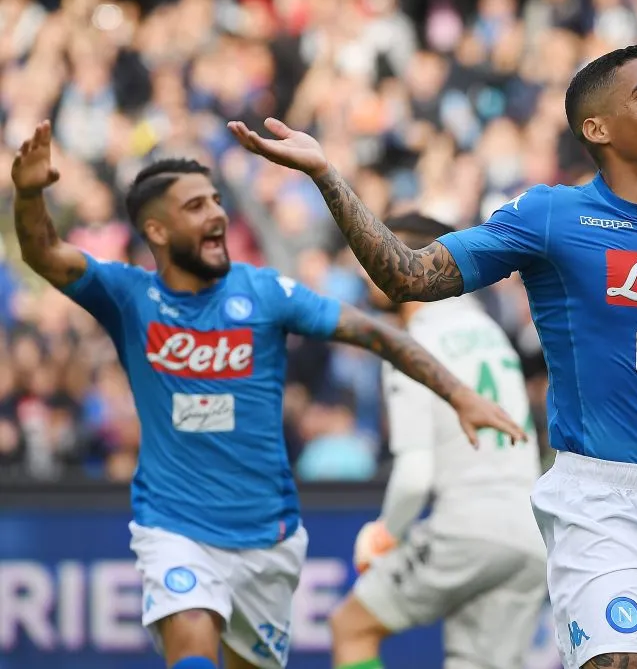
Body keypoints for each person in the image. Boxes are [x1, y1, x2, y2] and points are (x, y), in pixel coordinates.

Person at [228, 44, 637, 669]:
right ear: (598, 128)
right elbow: (409, 276)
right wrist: (327, 175)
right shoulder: (552, 217)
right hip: (602, 501)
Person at [9, 121, 523, 669]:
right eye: (195, 207)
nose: (216, 215)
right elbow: (46, 254)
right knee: (190, 637)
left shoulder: (265, 292)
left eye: (215, 200)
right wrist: (29, 194)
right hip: (173, 525)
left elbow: (379, 333)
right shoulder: (129, 296)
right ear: (156, 231)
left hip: (266, 537)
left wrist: (457, 394)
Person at [328, 212, 548, 669]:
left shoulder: (415, 342)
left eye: (375, 256)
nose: (367, 270)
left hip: (467, 526)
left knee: (351, 628)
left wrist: (384, 534)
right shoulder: (490, 331)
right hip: (531, 534)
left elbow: (414, 475)